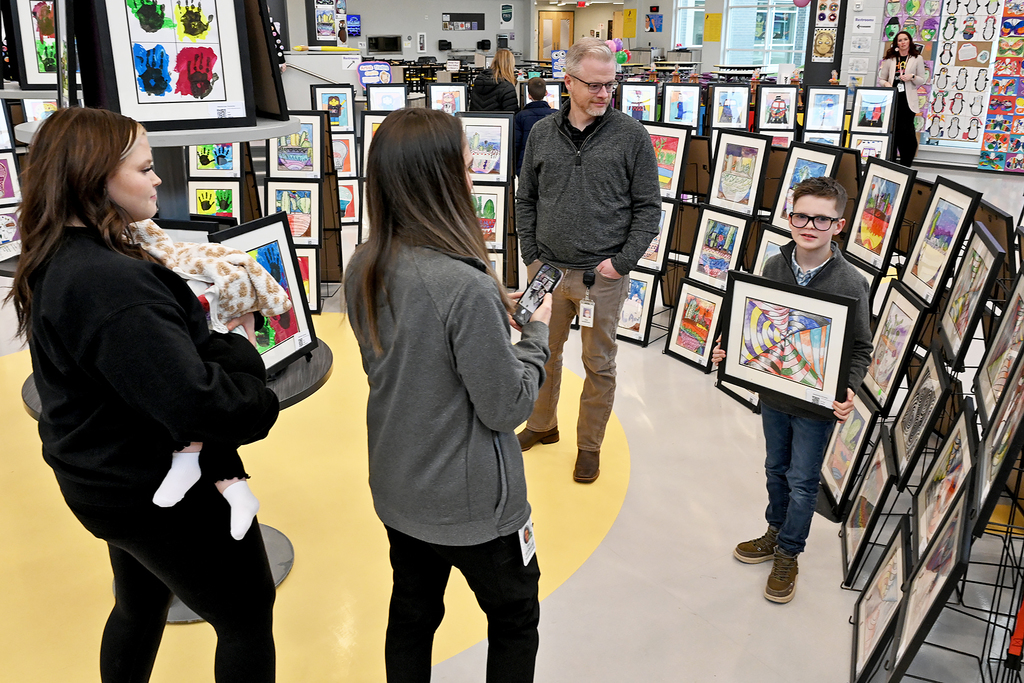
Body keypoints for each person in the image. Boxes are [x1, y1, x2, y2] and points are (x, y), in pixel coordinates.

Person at [5, 107, 280, 682]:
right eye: (146, 168)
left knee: (140, 601)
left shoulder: (62, 255)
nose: (158, 179)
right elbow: (200, 404)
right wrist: (249, 369)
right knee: (247, 612)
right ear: (96, 177)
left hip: (103, 478)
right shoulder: (113, 285)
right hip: (148, 487)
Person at [344, 107, 551, 683]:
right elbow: (507, 407)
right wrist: (533, 336)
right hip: (473, 507)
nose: (473, 172)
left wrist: (489, 320)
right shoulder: (464, 286)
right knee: (514, 616)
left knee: (411, 613)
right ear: (442, 180)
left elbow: (402, 366)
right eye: (465, 164)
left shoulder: (365, 263)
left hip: (397, 484)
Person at [711, 177, 873, 604]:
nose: (810, 225)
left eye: (823, 219)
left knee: (803, 481)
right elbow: (758, 326)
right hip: (775, 395)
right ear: (789, 216)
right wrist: (734, 353)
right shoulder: (774, 266)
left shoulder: (850, 282)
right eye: (802, 215)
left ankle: (789, 552)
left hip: (817, 406)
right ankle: (774, 529)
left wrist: (849, 388)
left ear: (838, 226)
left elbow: (861, 348)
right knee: (774, 468)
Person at [515, 37, 661, 484]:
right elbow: (526, 198)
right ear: (568, 82)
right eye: (595, 86)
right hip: (548, 272)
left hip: (603, 276)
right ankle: (543, 425)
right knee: (542, 352)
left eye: (610, 87)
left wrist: (621, 262)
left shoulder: (630, 135)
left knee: (599, 362)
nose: (603, 95)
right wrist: (531, 256)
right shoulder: (542, 133)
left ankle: (589, 446)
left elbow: (648, 208)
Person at [878, 30, 927, 167]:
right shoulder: (890, 59)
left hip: (908, 101)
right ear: (896, 43)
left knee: (908, 134)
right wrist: (888, 84)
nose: (903, 42)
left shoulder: (917, 58)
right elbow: (882, 79)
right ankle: (891, 162)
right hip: (893, 100)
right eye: (900, 40)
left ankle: (906, 164)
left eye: (905, 39)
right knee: (893, 133)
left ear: (910, 41)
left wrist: (911, 77)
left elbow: (921, 80)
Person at [513, 77, 556, 176]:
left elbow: (516, 145)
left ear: (529, 96)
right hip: (550, 167)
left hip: (526, 167)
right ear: (546, 93)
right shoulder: (556, 115)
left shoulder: (520, 117)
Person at [470, 48, 519, 112]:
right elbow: (512, 115)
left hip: (476, 121)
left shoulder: (478, 81)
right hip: (498, 121)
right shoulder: (507, 87)